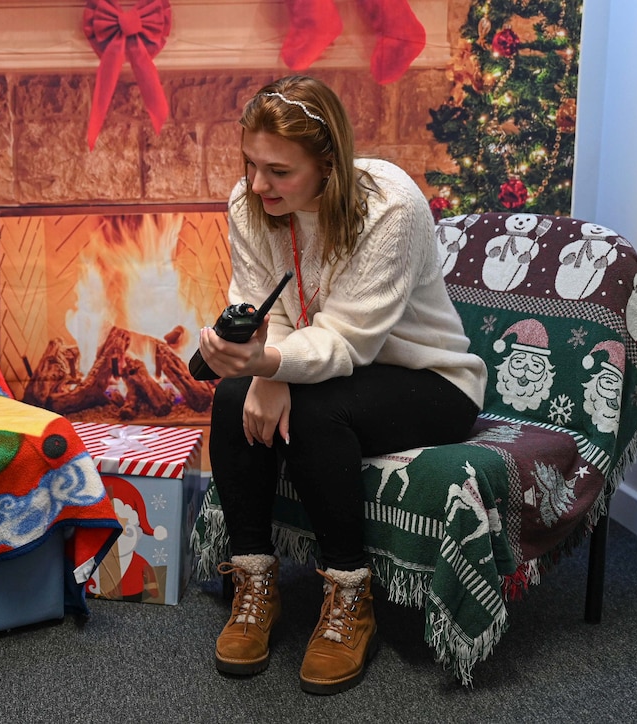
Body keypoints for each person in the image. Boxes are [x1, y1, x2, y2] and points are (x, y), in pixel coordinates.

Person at [196, 75, 487, 695]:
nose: (256, 185)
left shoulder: (391, 205)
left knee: (318, 409)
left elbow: (351, 341)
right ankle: (254, 582)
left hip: (428, 378)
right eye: (250, 164)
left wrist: (271, 368)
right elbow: (256, 303)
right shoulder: (252, 204)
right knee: (226, 398)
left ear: (329, 163)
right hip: (314, 368)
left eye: (278, 171)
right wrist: (251, 361)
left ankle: (351, 596)